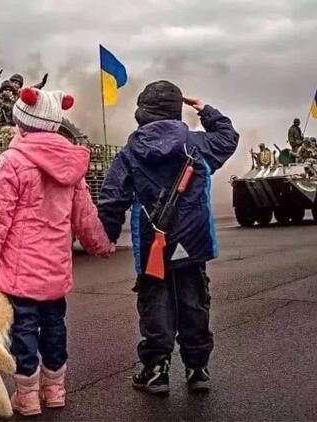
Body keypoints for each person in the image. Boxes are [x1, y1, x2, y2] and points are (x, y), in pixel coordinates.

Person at [0, 86, 115, 416]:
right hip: (55, 270)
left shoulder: (10, 162)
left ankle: (28, 396)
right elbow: (85, 216)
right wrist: (101, 245)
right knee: (54, 327)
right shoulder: (72, 166)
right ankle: (55, 389)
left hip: (19, 273)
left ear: (21, 122)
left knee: (23, 330)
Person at [98, 80, 239, 395]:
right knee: (194, 303)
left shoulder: (130, 152)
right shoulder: (198, 144)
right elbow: (229, 137)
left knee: (155, 304)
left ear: (142, 112)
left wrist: (106, 238)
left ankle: (156, 370)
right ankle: (197, 369)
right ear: (176, 110)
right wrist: (206, 110)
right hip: (194, 243)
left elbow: (112, 199)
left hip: (152, 244)